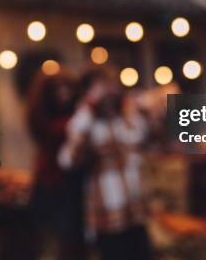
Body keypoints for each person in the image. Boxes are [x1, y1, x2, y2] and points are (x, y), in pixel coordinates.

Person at [58, 68, 152, 260]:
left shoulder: (125, 116)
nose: (107, 92)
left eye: (109, 85)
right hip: (107, 212)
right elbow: (67, 160)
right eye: (99, 87)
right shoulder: (83, 121)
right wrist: (88, 113)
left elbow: (141, 139)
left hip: (135, 209)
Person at [26, 71, 86, 260]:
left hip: (73, 186)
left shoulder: (76, 117)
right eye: (58, 89)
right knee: (56, 241)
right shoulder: (52, 122)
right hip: (52, 185)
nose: (63, 93)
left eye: (67, 88)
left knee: (72, 241)